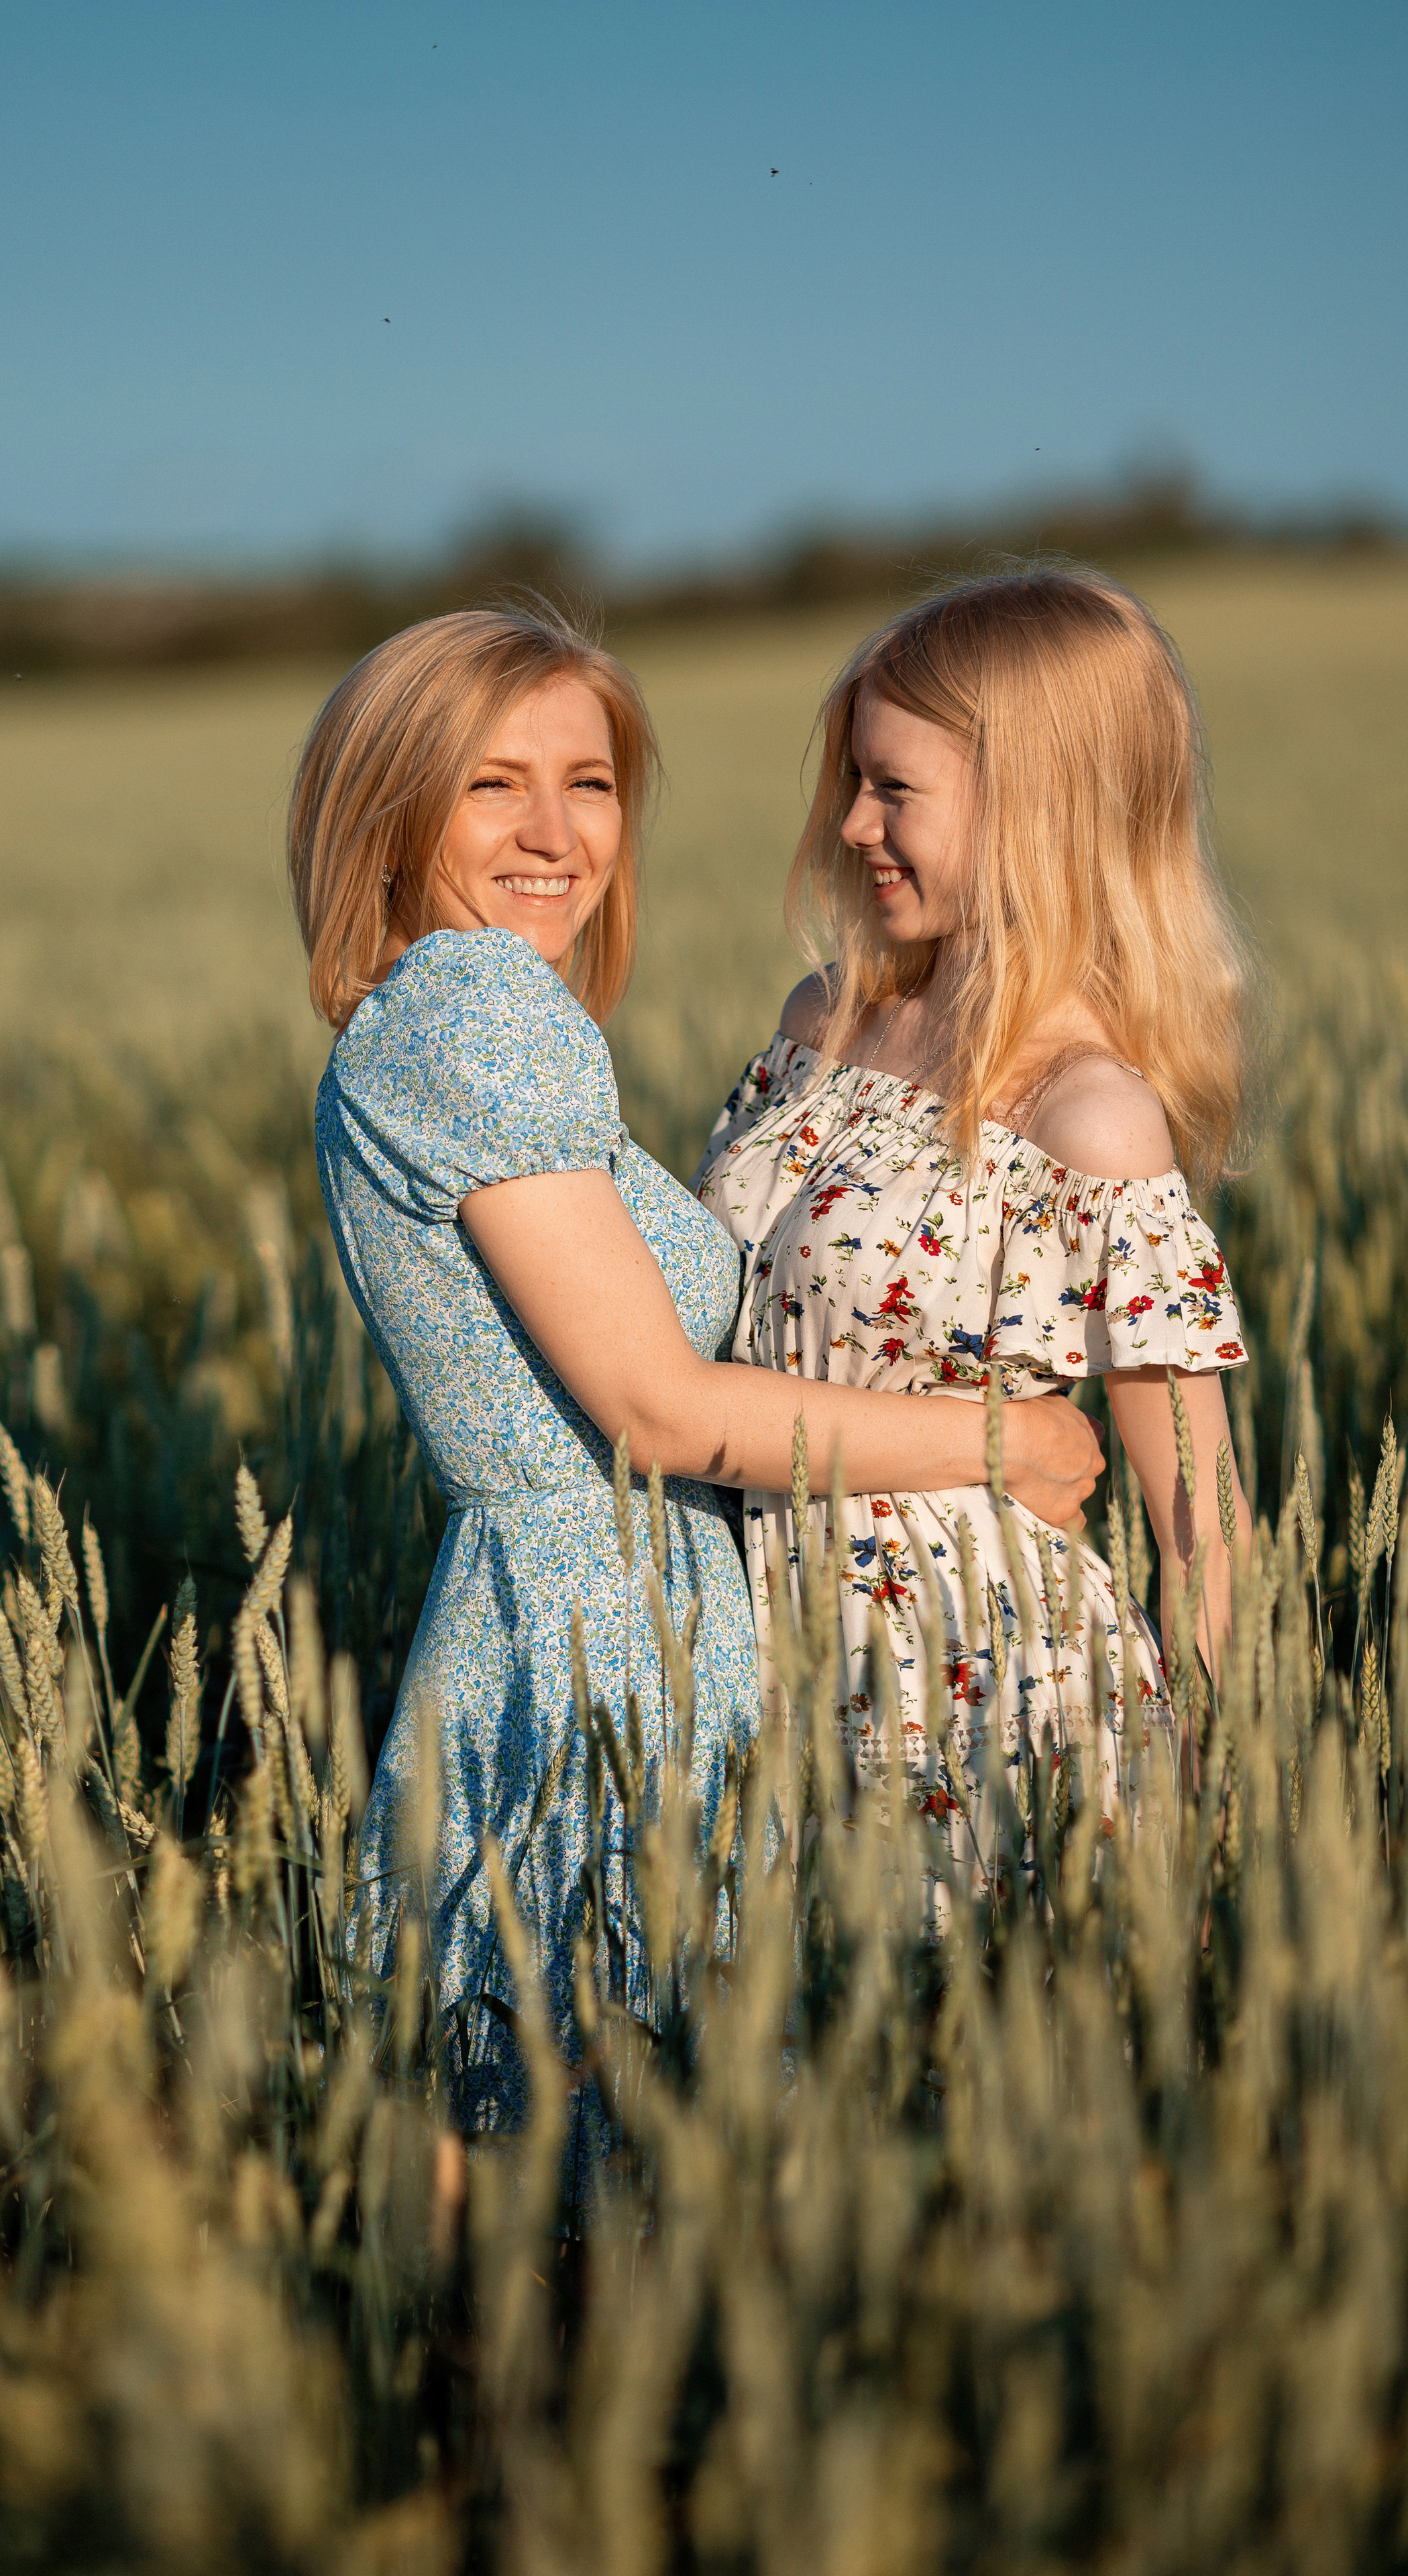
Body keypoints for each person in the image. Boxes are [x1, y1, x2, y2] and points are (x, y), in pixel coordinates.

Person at [292, 604, 1101, 2123]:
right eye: (491, 785)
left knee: (570, 2151)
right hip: (604, 1642)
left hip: (569, 1616)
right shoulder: (475, 1012)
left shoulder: (421, 1018)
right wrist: (1009, 1440)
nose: (555, 833)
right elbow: (659, 1413)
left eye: (589, 783)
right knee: (646, 2138)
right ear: (388, 810)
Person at [695, 566, 1255, 1868]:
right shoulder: (822, 1020)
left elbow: (1202, 1520)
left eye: (894, 787)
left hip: (976, 1707)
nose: (851, 824)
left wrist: (1216, 1818)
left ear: (1038, 808)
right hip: (747, 1653)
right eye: (853, 780)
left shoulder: (1087, 1118)